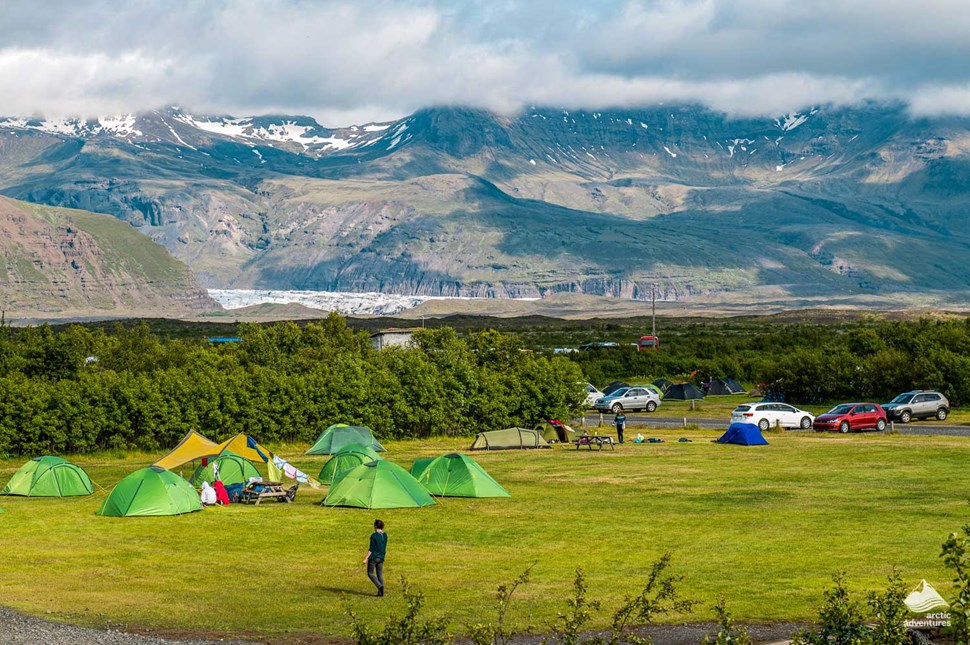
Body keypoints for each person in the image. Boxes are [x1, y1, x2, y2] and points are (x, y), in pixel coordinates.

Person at [362, 519, 387, 596]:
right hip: (382, 557)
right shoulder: (385, 535)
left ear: (375, 526)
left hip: (374, 557)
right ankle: (380, 593)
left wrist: (366, 558)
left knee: (370, 573)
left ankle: (380, 587)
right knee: (380, 574)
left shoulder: (374, 536)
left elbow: (371, 548)